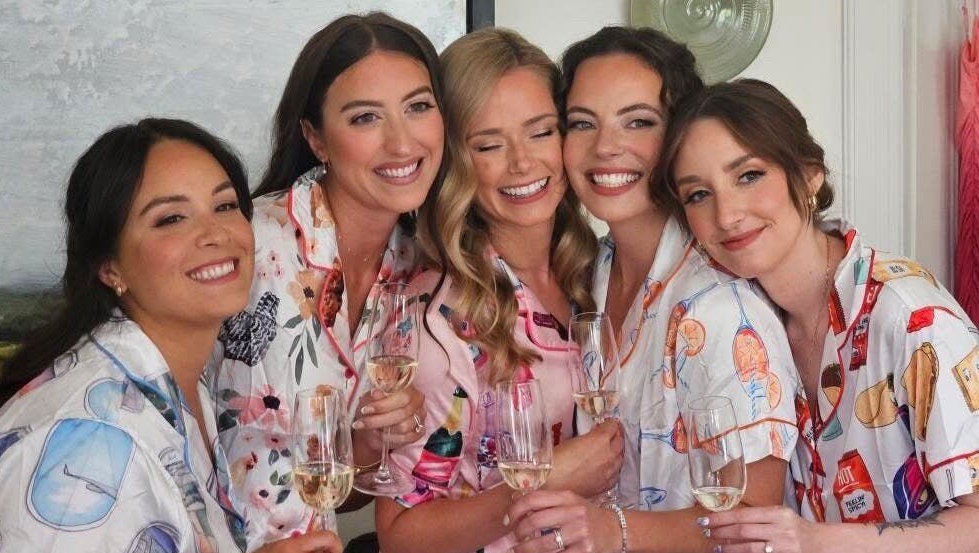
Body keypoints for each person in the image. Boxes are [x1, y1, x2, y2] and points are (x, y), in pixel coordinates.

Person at [0, 119, 341, 553]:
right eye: (171, 218)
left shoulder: (180, 380)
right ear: (109, 266)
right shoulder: (88, 446)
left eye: (225, 206)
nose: (215, 234)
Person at [505, 28, 802, 553]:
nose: (605, 148)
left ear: (679, 137)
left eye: (638, 121)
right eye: (582, 124)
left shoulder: (720, 310)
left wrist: (610, 532)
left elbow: (755, 523)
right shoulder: (590, 274)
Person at [652, 78, 979, 553]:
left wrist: (815, 542)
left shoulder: (910, 316)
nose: (726, 215)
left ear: (808, 176)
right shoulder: (746, 323)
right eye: (698, 194)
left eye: (749, 176)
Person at [374, 28, 623, 553]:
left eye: (540, 132)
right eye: (488, 144)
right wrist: (545, 477)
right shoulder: (441, 324)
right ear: (455, 162)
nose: (522, 162)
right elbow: (400, 535)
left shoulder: (597, 272)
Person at [213, 12, 445, 546]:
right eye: (366, 118)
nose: (402, 141)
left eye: (418, 107)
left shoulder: (413, 267)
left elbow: (347, 493)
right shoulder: (251, 239)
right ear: (316, 138)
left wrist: (370, 444)